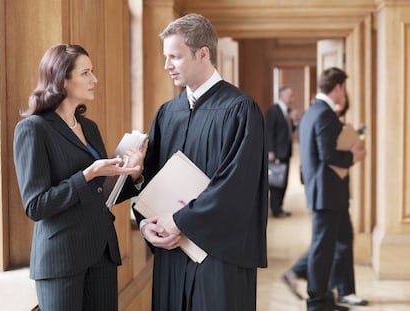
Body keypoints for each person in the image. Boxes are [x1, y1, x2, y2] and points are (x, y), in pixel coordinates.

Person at [133, 13, 268, 311]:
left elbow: (236, 188)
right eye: (165, 56)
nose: (166, 65)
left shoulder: (240, 110)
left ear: (203, 54)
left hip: (218, 256)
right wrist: (146, 224)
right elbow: (151, 182)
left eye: (175, 57)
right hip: (171, 251)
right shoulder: (168, 113)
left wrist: (180, 221)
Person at [13, 44, 147, 311]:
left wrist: (133, 174)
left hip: (102, 254)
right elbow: (36, 205)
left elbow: (101, 193)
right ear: (62, 80)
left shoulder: (89, 127)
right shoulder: (33, 129)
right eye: (85, 73)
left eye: (93, 71)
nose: (94, 79)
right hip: (61, 260)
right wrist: (87, 175)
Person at [281, 92, 369, 307]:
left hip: (331, 192)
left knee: (341, 242)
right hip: (327, 192)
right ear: (338, 88)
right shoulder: (323, 114)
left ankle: (341, 292)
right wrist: (353, 156)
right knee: (324, 245)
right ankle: (311, 290)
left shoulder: (315, 113)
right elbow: (327, 154)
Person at [266, 85, 300, 217]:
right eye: (290, 95)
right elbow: (269, 132)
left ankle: (279, 207)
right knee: (276, 182)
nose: (292, 98)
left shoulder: (288, 111)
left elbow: (289, 131)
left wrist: (295, 121)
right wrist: (270, 150)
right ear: (282, 96)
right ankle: (275, 209)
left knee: (284, 181)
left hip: (286, 151)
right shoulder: (273, 111)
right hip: (276, 152)